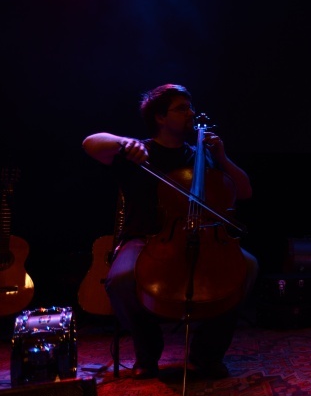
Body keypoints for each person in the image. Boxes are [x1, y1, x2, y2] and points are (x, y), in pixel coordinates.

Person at [82, 83, 259, 380]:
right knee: (121, 280)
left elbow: (244, 192)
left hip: (203, 238)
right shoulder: (139, 152)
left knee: (247, 267)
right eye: (181, 108)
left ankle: (205, 355)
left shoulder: (200, 155)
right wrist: (124, 142)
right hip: (145, 238)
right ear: (160, 118)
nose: (191, 113)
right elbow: (90, 143)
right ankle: (147, 353)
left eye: (190, 107)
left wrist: (223, 158)